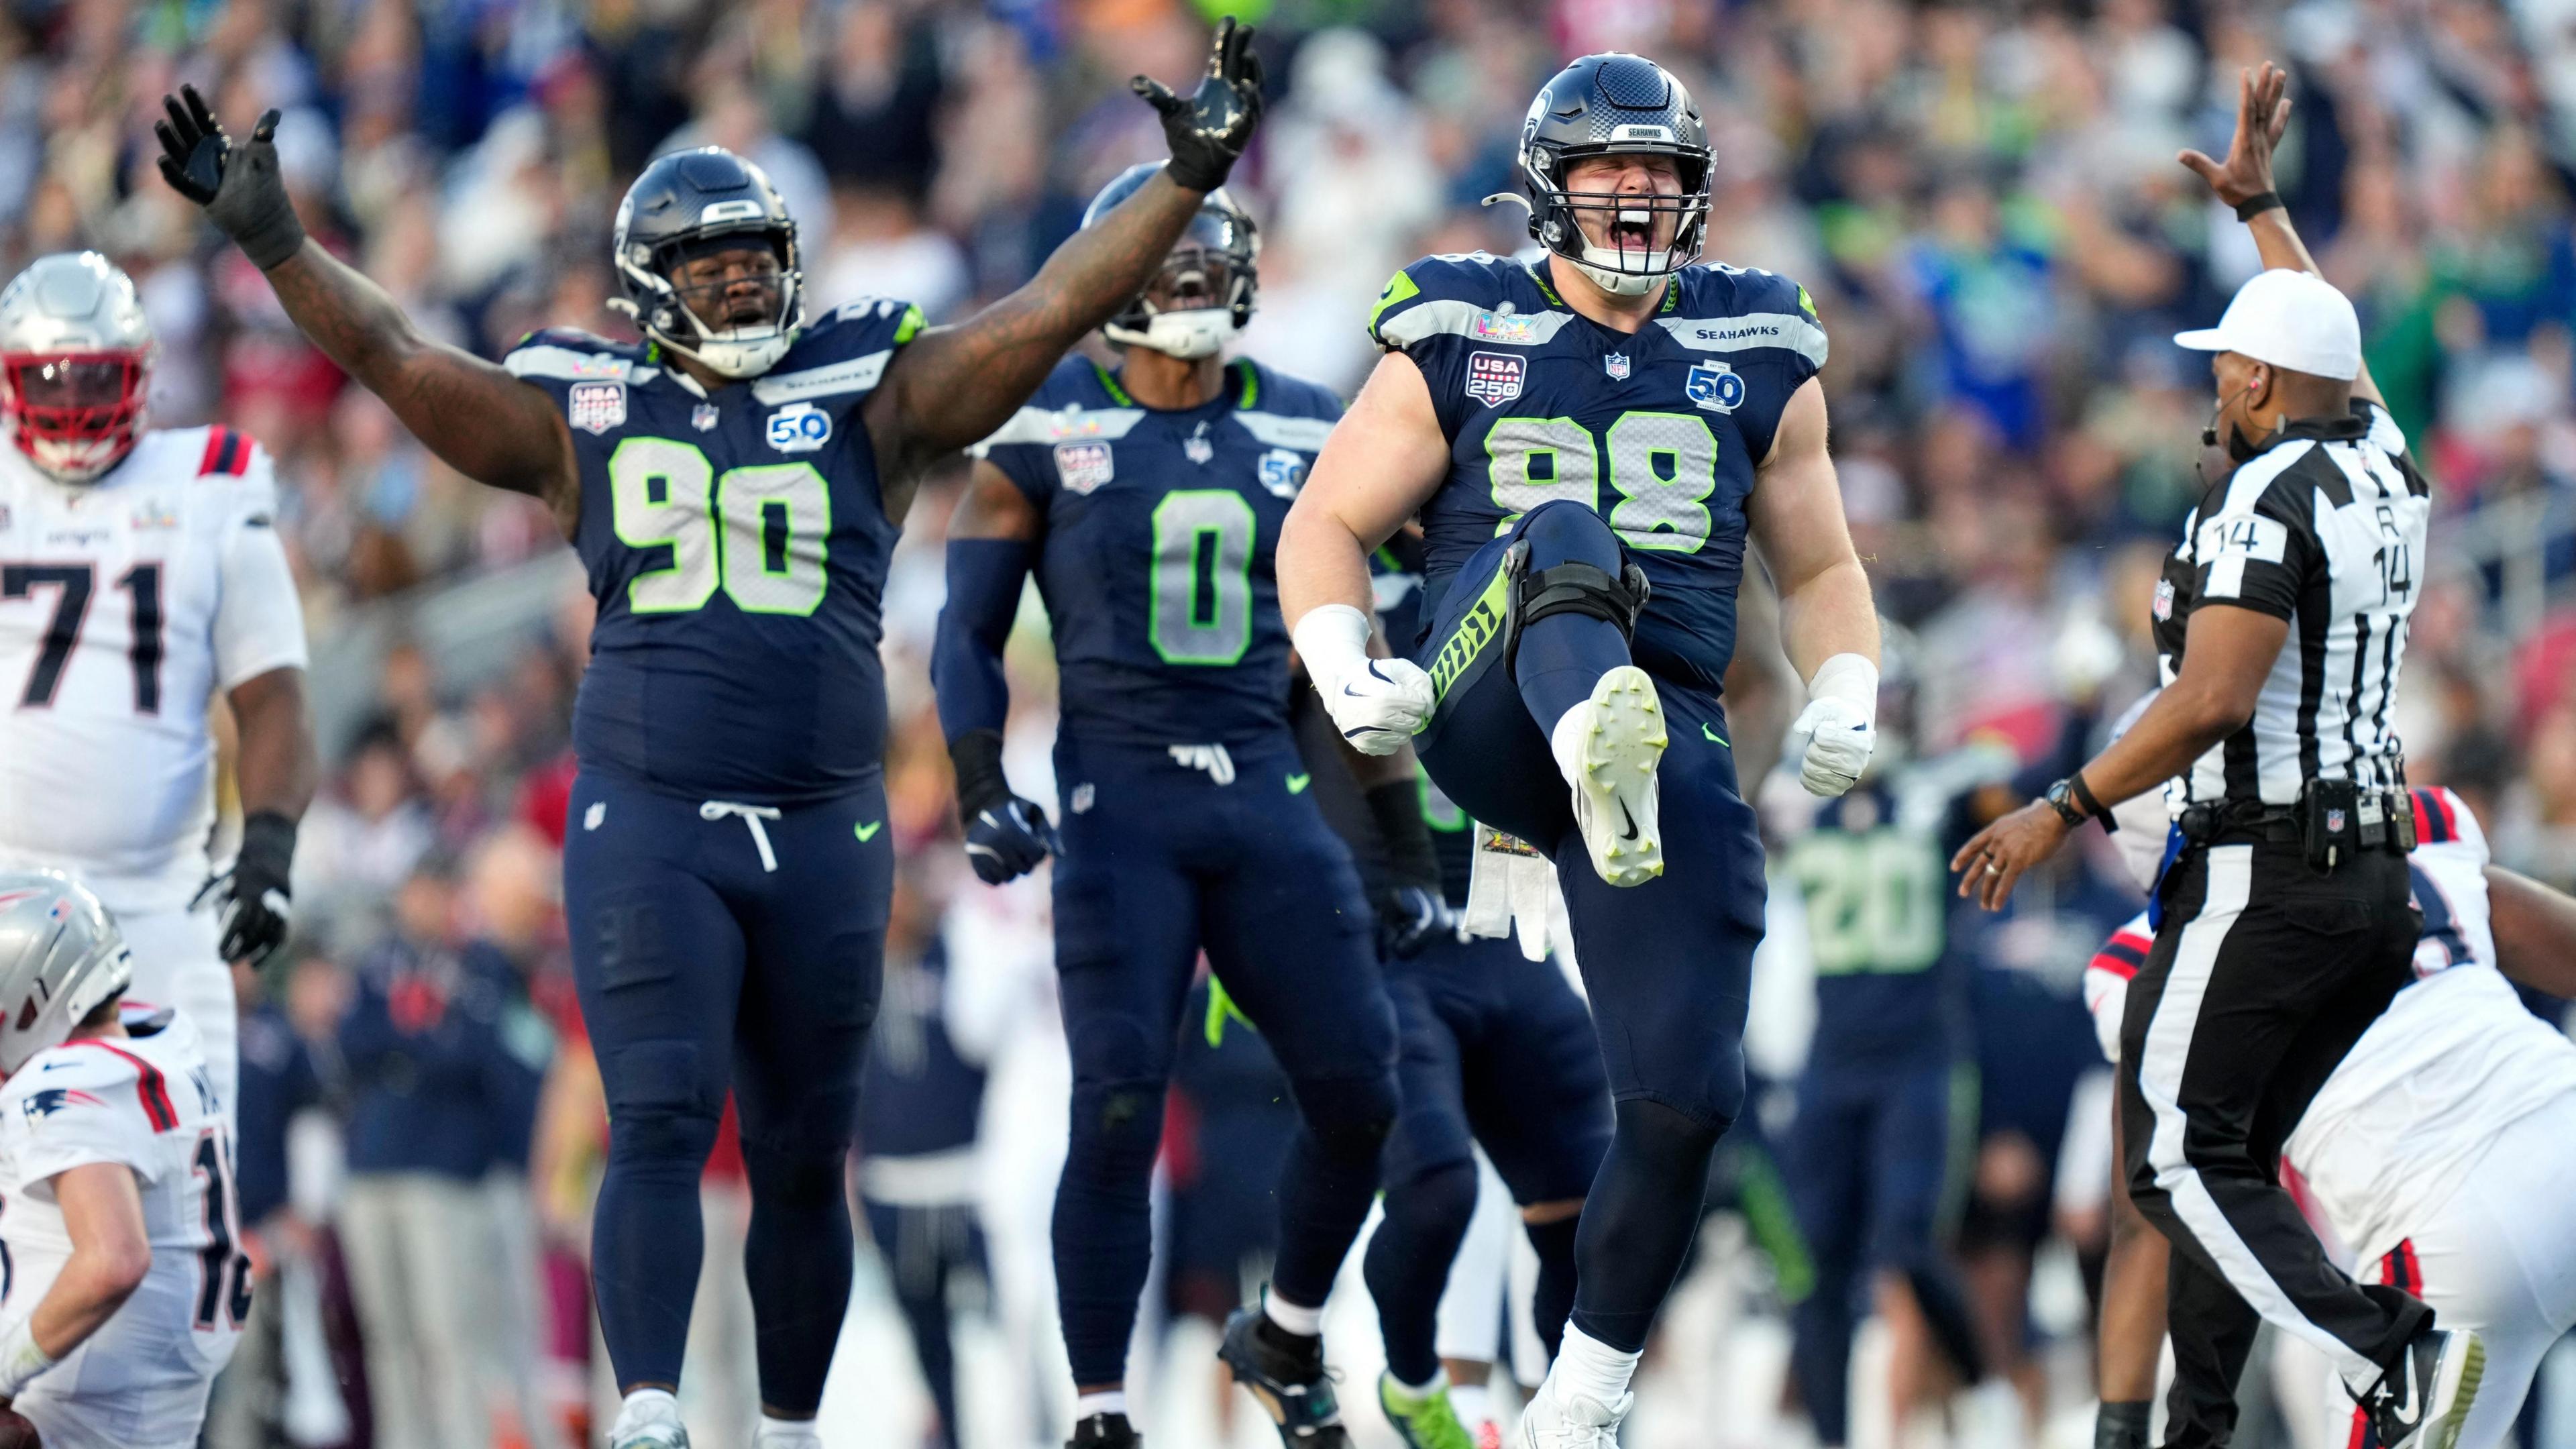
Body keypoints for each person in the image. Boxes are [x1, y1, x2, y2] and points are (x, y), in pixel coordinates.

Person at [152, 23, 1266, 1448]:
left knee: (801, 1156)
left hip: (827, 820)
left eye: (755, 256)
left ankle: (789, 1431)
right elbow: (393, 352)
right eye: (707, 261)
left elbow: (1051, 311)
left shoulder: (870, 389)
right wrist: (275, 239)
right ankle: (652, 1411)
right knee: (662, 1115)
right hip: (653, 813)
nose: (740, 279)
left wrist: (1181, 183)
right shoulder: (586, 409)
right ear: (645, 285)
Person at [1279, 50, 1881, 1446]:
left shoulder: (1758, 343)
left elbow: (1823, 566)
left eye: (1660, 172)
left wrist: (1849, 679)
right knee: (1562, 534)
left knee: (1687, 1101)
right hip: (1485, 690)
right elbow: (1324, 524)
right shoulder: (1464, 322)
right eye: (1609, 168)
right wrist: (1343, 661)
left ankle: (1583, 1398)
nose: (1636, 195)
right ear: (1549, 186)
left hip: (1665, 726)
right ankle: (1584, 739)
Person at [1952, 61, 2460, 1449]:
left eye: (2229, 366)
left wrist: (2061, 806)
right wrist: (2262, 212)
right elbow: (2331, 350)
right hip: (2370, 882)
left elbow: (2216, 698)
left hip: (2266, 872)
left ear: (2255, 379)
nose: (2217, 388)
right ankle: (2201, 1430)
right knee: (2223, 1164)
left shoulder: (2264, 494)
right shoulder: (2382, 462)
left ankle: (2391, 1346)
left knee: (2174, 1162)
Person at [932, 163, 1397, 1449]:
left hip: (1264, 796)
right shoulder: (1045, 424)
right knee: (1118, 1101)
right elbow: (966, 631)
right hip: (1120, 804)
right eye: (1164, 257)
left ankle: (1287, 1334)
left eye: (1209, 255)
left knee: (1363, 1093)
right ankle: (1100, 1410)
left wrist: (1401, 839)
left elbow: (1392, 601)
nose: (1191, 278)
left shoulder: (1310, 422)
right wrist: (979, 782)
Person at [2086, 777, 2576, 1449]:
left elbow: (2147, 1223)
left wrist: (2119, 1426)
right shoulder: (2416, 833)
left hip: (2448, 1232)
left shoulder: (2144, 956)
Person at [1311, 527, 1613, 1449]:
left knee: (1593, 1217)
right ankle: (1411, 1383)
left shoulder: (1515, 547)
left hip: (1509, 928)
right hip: (1388, 945)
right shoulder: (1321, 566)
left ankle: (1570, 1425)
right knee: (1438, 1192)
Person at [0, 250, 317, 1116]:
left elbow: (273, 693)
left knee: (189, 1168)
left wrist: (269, 846)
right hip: (4, 896)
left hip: (156, 900)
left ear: (141, 375)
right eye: (50, 380)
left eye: (94, 378)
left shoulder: (208, 482)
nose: (72, 403)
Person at [1770, 738, 1991, 1449]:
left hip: (1916, 1058)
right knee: (1814, 1265)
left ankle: (1985, 1391)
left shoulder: (1937, 798)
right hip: (1828, 1059)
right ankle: (1831, 1439)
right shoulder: (1792, 800)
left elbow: (2015, 778)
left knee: (1908, 1244)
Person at [0, 869, 248, 1449]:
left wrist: (4, 1370)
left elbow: (114, 1259)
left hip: (69, 1408)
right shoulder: (161, 1042)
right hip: (137, 1398)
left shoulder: (70, 1083)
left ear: (32, 996)